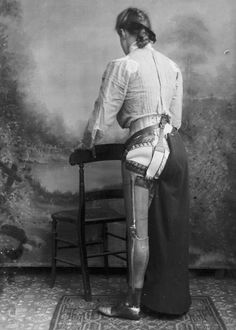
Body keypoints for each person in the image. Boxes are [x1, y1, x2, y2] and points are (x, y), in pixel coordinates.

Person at [80, 7, 191, 320]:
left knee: (137, 233)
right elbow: (177, 119)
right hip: (175, 150)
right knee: (169, 226)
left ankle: (131, 304)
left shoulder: (123, 65)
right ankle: (168, 300)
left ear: (123, 33)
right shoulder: (172, 66)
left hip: (143, 151)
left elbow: (100, 119)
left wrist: (86, 144)